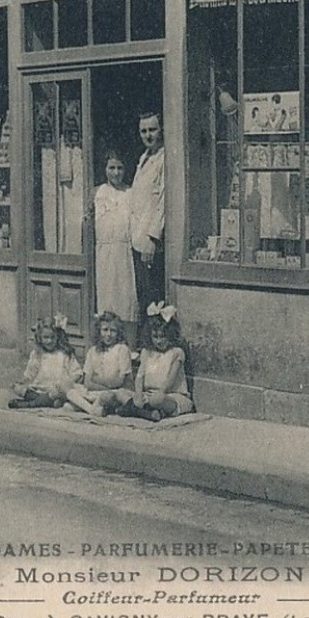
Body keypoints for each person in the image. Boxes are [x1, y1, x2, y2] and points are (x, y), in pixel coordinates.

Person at [89, 150, 138, 346]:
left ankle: (129, 346)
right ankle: (105, 344)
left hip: (124, 252)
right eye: (111, 168)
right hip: (103, 252)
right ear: (105, 169)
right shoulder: (96, 193)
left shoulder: (130, 193)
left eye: (119, 168)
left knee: (126, 297)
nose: (116, 173)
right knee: (106, 297)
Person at [118, 303, 194, 422]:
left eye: (163, 337)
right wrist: (138, 394)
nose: (158, 341)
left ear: (171, 335)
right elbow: (140, 376)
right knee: (121, 393)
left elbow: (170, 380)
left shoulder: (177, 353)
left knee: (157, 400)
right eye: (155, 337)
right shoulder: (146, 352)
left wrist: (160, 392)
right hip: (148, 394)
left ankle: (138, 410)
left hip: (170, 395)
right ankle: (148, 413)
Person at [130, 111, 165, 333]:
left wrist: (153, 238)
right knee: (142, 294)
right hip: (136, 236)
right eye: (144, 131)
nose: (148, 135)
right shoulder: (144, 158)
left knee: (152, 295)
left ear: (161, 130)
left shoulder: (163, 159)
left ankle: (153, 345)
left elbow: (163, 201)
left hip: (150, 241)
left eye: (152, 129)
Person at [65, 311, 134, 417]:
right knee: (67, 388)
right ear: (99, 331)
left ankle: (85, 406)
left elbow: (119, 381)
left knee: (106, 397)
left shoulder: (122, 349)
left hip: (114, 392)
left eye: (113, 331)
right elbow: (87, 382)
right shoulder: (93, 351)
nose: (109, 334)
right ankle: (92, 409)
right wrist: (100, 383)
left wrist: (96, 379)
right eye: (105, 330)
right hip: (94, 391)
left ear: (119, 332)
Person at [8, 315, 82, 409]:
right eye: (46, 337)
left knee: (58, 397)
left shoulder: (64, 354)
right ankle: (42, 401)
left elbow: (77, 373)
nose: (49, 341)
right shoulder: (37, 354)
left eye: (52, 337)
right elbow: (30, 373)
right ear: (40, 337)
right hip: (39, 390)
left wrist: (67, 384)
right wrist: (22, 381)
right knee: (19, 389)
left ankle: (29, 404)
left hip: (56, 392)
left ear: (58, 337)